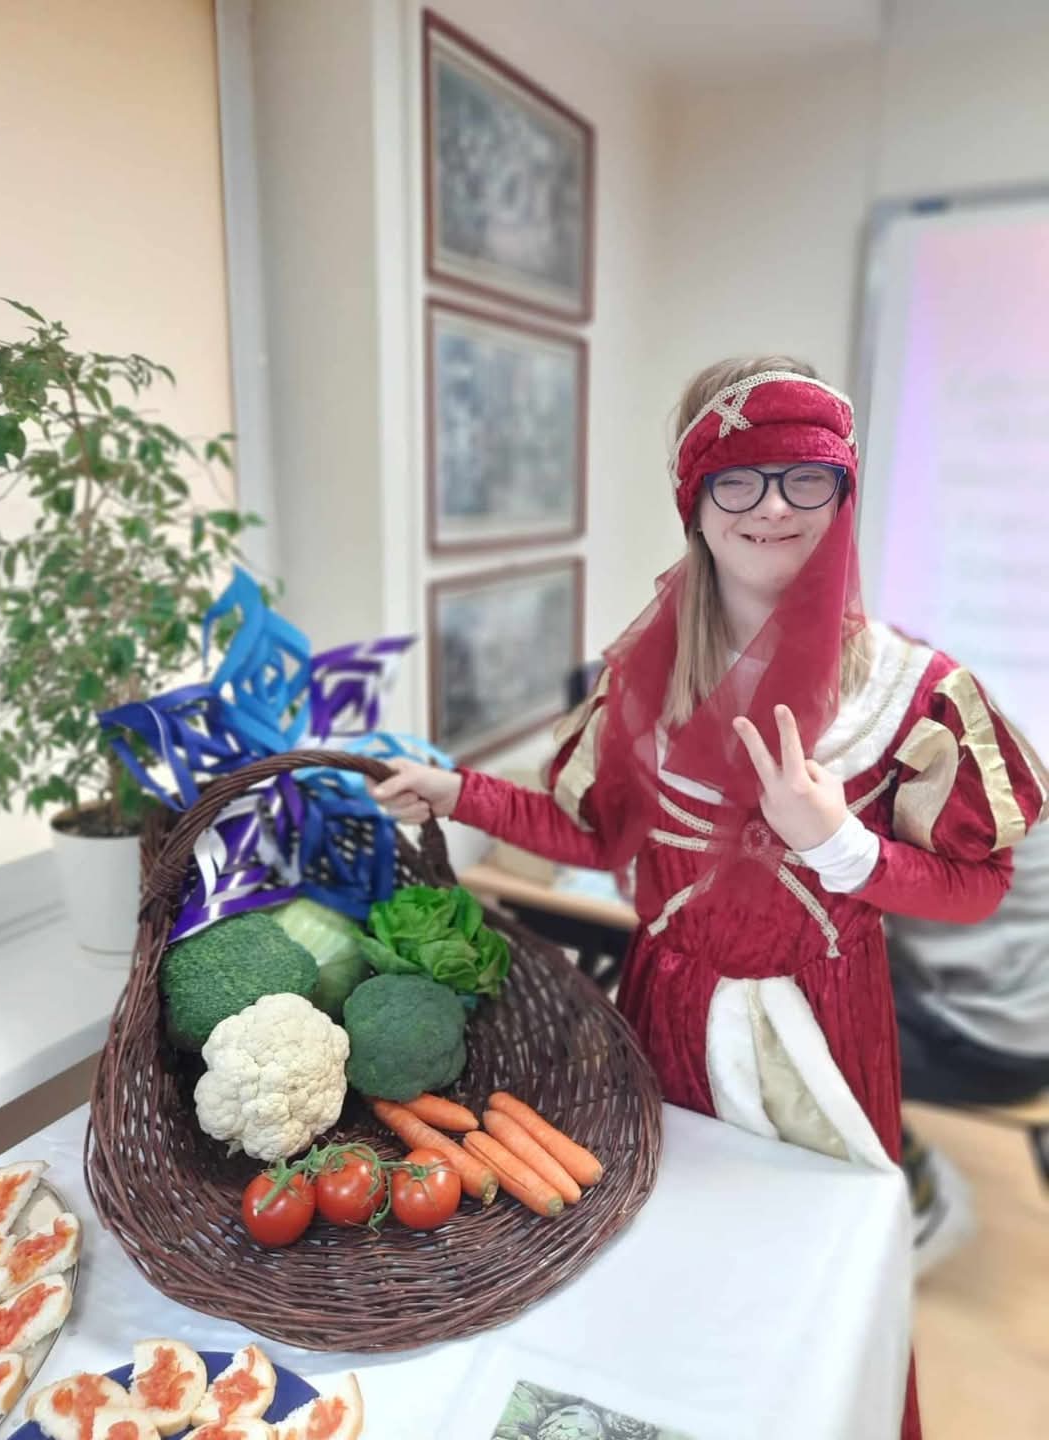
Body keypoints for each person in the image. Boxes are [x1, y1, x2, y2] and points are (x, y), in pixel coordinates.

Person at [373, 358, 1048, 1440]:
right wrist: (462, 793)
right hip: (665, 1011)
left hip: (826, 1026)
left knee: (809, 1301)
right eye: (738, 478)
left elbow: (979, 885)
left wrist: (841, 846)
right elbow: (598, 834)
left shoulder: (915, 695)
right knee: (658, 1271)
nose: (772, 506)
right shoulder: (645, 674)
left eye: (804, 476)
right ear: (694, 500)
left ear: (844, 490)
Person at [889, 820, 1049, 1257]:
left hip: (996, 1042)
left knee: (808, 1033)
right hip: (1022, 1015)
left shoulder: (962, 794)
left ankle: (917, 1194)